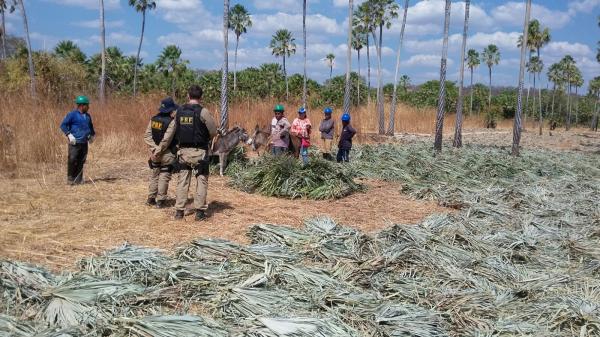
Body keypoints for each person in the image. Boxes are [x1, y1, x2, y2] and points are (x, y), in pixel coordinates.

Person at [173, 85, 218, 221]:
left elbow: (174, 129)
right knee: (201, 180)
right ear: (201, 97)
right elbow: (213, 131)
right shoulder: (203, 112)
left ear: (188, 96)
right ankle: (199, 213)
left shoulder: (179, 111)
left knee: (183, 181)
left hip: (183, 152)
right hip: (200, 152)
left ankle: (179, 212)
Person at [143, 97, 178, 208]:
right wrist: (158, 150)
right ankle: (161, 200)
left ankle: (151, 198)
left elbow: (147, 136)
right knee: (164, 175)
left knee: (155, 174)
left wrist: (154, 149)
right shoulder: (172, 122)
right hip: (166, 153)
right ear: (170, 110)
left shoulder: (153, 119)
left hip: (155, 154)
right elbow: (167, 140)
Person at [59, 95, 96, 185]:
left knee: (81, 160)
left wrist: (92, 136)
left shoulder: (88, 116)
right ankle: (70, 179)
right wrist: (69, 135)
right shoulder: (72, 115)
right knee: (72, 159)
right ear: (81, 106)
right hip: (74, 142)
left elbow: (90, 127)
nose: (88, 107)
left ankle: (79, 179)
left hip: (84, 143)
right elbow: (63, 125)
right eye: (87, 105)